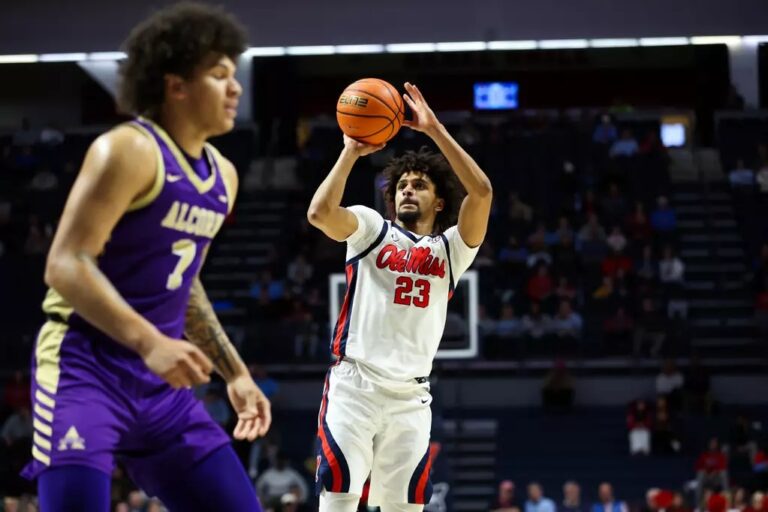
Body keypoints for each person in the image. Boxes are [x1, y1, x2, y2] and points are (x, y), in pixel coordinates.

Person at [20, 4, 271, 511]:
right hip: (84, 368)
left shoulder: (224, 176)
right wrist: (151, 340)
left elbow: (185, 284)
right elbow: (65, 263)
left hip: (162, 389)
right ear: (175, 85)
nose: (235, 87)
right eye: (219, 75)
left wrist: (235, 373)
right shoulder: (128, 150)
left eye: (234, 74)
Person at [307, 82, 492, 512]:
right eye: (402, 185)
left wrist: (435, 130)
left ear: (440, 200)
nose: (408, 189)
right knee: (338, 497)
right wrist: (350, 152)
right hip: (355, 385)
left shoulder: (451, 250)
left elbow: (481, 192)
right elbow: (319, 214)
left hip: (410, 397)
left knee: (405, 508)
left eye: (420, 185)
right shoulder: (373, 229)